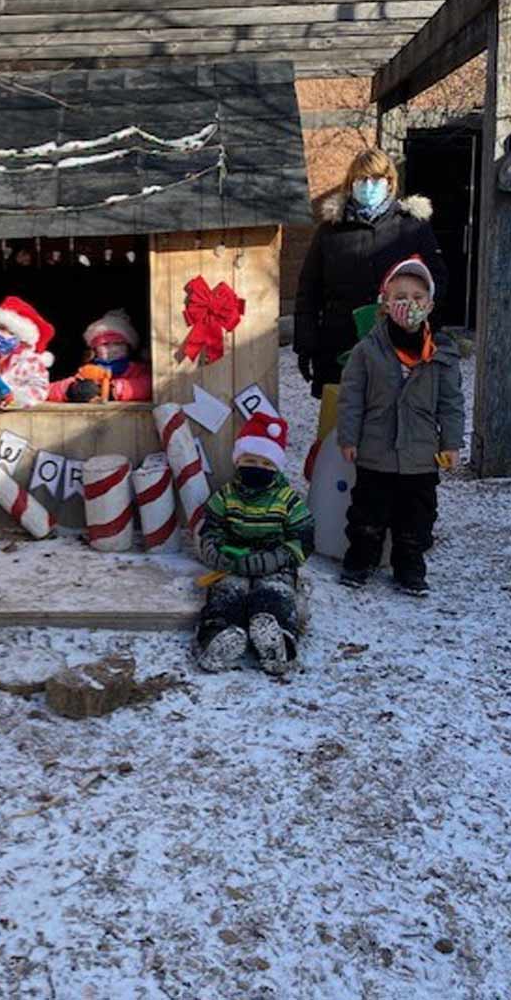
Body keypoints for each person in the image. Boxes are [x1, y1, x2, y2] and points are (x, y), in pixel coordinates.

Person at [337, 256, 465, 596]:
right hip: (375, 452)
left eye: (417, 297)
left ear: (430, 305)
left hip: (420, 457)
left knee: (416, 518)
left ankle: (409, 568)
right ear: (385, 304)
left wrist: (451, 444)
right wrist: (349, 438)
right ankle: (360, 561)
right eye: (400, 297)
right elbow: (351, 398)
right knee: (367, 514)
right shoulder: (367, 351)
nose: (409, 304)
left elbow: (451, 403)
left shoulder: (441, 354)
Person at [293, 147, 448, 398]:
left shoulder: (412, 227)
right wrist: (306, 344)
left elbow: (436, 282)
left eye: (376, 178)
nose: (368, 185)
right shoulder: (331, 231)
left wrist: (422, 326)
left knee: (393, 413)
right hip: (340, 344)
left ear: (389, 182)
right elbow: (308, 290)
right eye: (361, 178)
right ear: (351, 182)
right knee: (344, 416)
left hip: (398, 343)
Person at [192, 410, 314, 676]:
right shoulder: (226, 496)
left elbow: (303, 538)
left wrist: (276, 558)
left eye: (266, 463)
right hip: (233, 562)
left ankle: (279, 643)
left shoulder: (287, 500)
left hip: (274, 564)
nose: (257, 467)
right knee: (225, 594)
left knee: (273, 594)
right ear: (238, 462)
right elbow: (210, 527)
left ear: (276, 467)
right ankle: (217, 638)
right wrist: (214, 551)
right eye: (250, 460)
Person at [48, 308, 151, 402]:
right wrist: (71, 390)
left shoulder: (138, 370)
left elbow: (149, 385)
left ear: (128, 348)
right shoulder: (88, 371)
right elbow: (48, 390)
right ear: (95, 350)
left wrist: (112, 390)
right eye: (105, 344)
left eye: (118, 344)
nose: (112, 349)